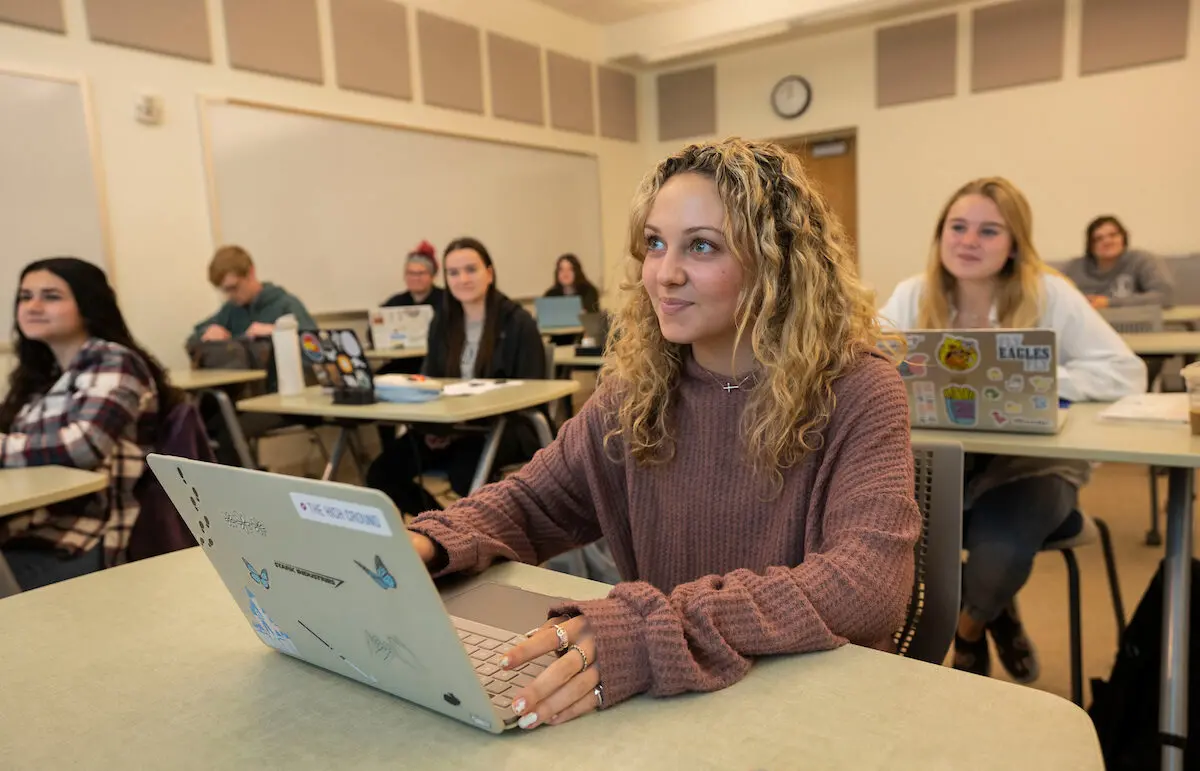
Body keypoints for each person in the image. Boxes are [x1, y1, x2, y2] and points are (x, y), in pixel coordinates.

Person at [403, 139, 921, 729]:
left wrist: (654, 633)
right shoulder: (638, 390)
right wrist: (428, 545)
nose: (664, 275)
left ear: (776, 261)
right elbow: (528, 505)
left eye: (701, 246)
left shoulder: (859, 388)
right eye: (654, 243)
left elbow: (867, 584)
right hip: (672, 707)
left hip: (811, 711)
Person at [880, 178, 1145, 683]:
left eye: (988, 230)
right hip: (945, 463)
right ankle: (995, 613)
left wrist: (1041, 379)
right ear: (940, 235)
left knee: (996, 553)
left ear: (1014, 243)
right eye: (957, 227)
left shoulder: (1049, 293)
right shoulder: (914, 293)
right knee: (895, 537)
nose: (968, 241)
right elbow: (871, 356)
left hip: (1034, 466)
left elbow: (1126, 371)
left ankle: (970, 631)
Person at [0, 257, 182, 591]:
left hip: (84, 534)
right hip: (33, 526)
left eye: (51, 296)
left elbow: (84, 445)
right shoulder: (44, 375)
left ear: (87, 304)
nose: (33, 306)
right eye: (25, 297)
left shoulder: (114, 360)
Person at [365, 237, 547, 513]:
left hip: (505, 426)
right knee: (382, 472)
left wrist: (460, 428)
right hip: (452, 427)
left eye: (471, 270)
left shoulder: (517, 322)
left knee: (464, 473)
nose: (462, 279)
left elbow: (532, 393)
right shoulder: (443, 322)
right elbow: (431, 381)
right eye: (453, 272)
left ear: (489, 273)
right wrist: (435, 428)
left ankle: (475, 540)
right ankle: (439, 528)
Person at [187, 245, 315, 347]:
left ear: (251, 273)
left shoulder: (286, 304)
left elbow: (316, 349)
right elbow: (193, 338)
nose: (230, 296)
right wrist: (207, 333)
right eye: (225, 291)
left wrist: (278, 334)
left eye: (234, 287)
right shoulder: (231, 310)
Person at [1062, 216, 1173, 310]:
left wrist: (1109, 303)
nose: (1107, 242)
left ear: (1123, 239)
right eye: (1098, 238)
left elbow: (1165, 297)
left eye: (1113, 235)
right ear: (1090, 246)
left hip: (1137, 327)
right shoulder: (1074, 268)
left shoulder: (1143, 261)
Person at [380, 240, 446, 310]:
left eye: (420, 273)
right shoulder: (395, 303)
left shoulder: (446, 300)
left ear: (432, 275)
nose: (415, 278)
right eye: (411, 273)